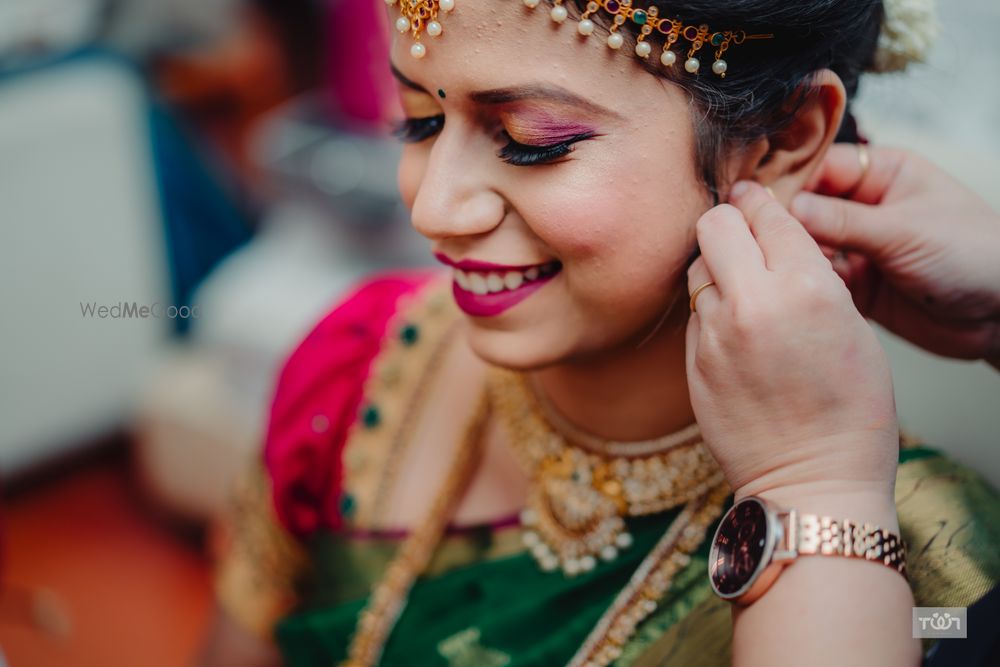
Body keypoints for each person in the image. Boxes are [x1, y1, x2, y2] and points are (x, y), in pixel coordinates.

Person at [199, 1, 1000, 666]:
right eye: (417, 120)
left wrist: (811, 489)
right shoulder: (360, 362)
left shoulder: (922, 563)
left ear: (785, 137)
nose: (432, 207)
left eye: (531, 140)